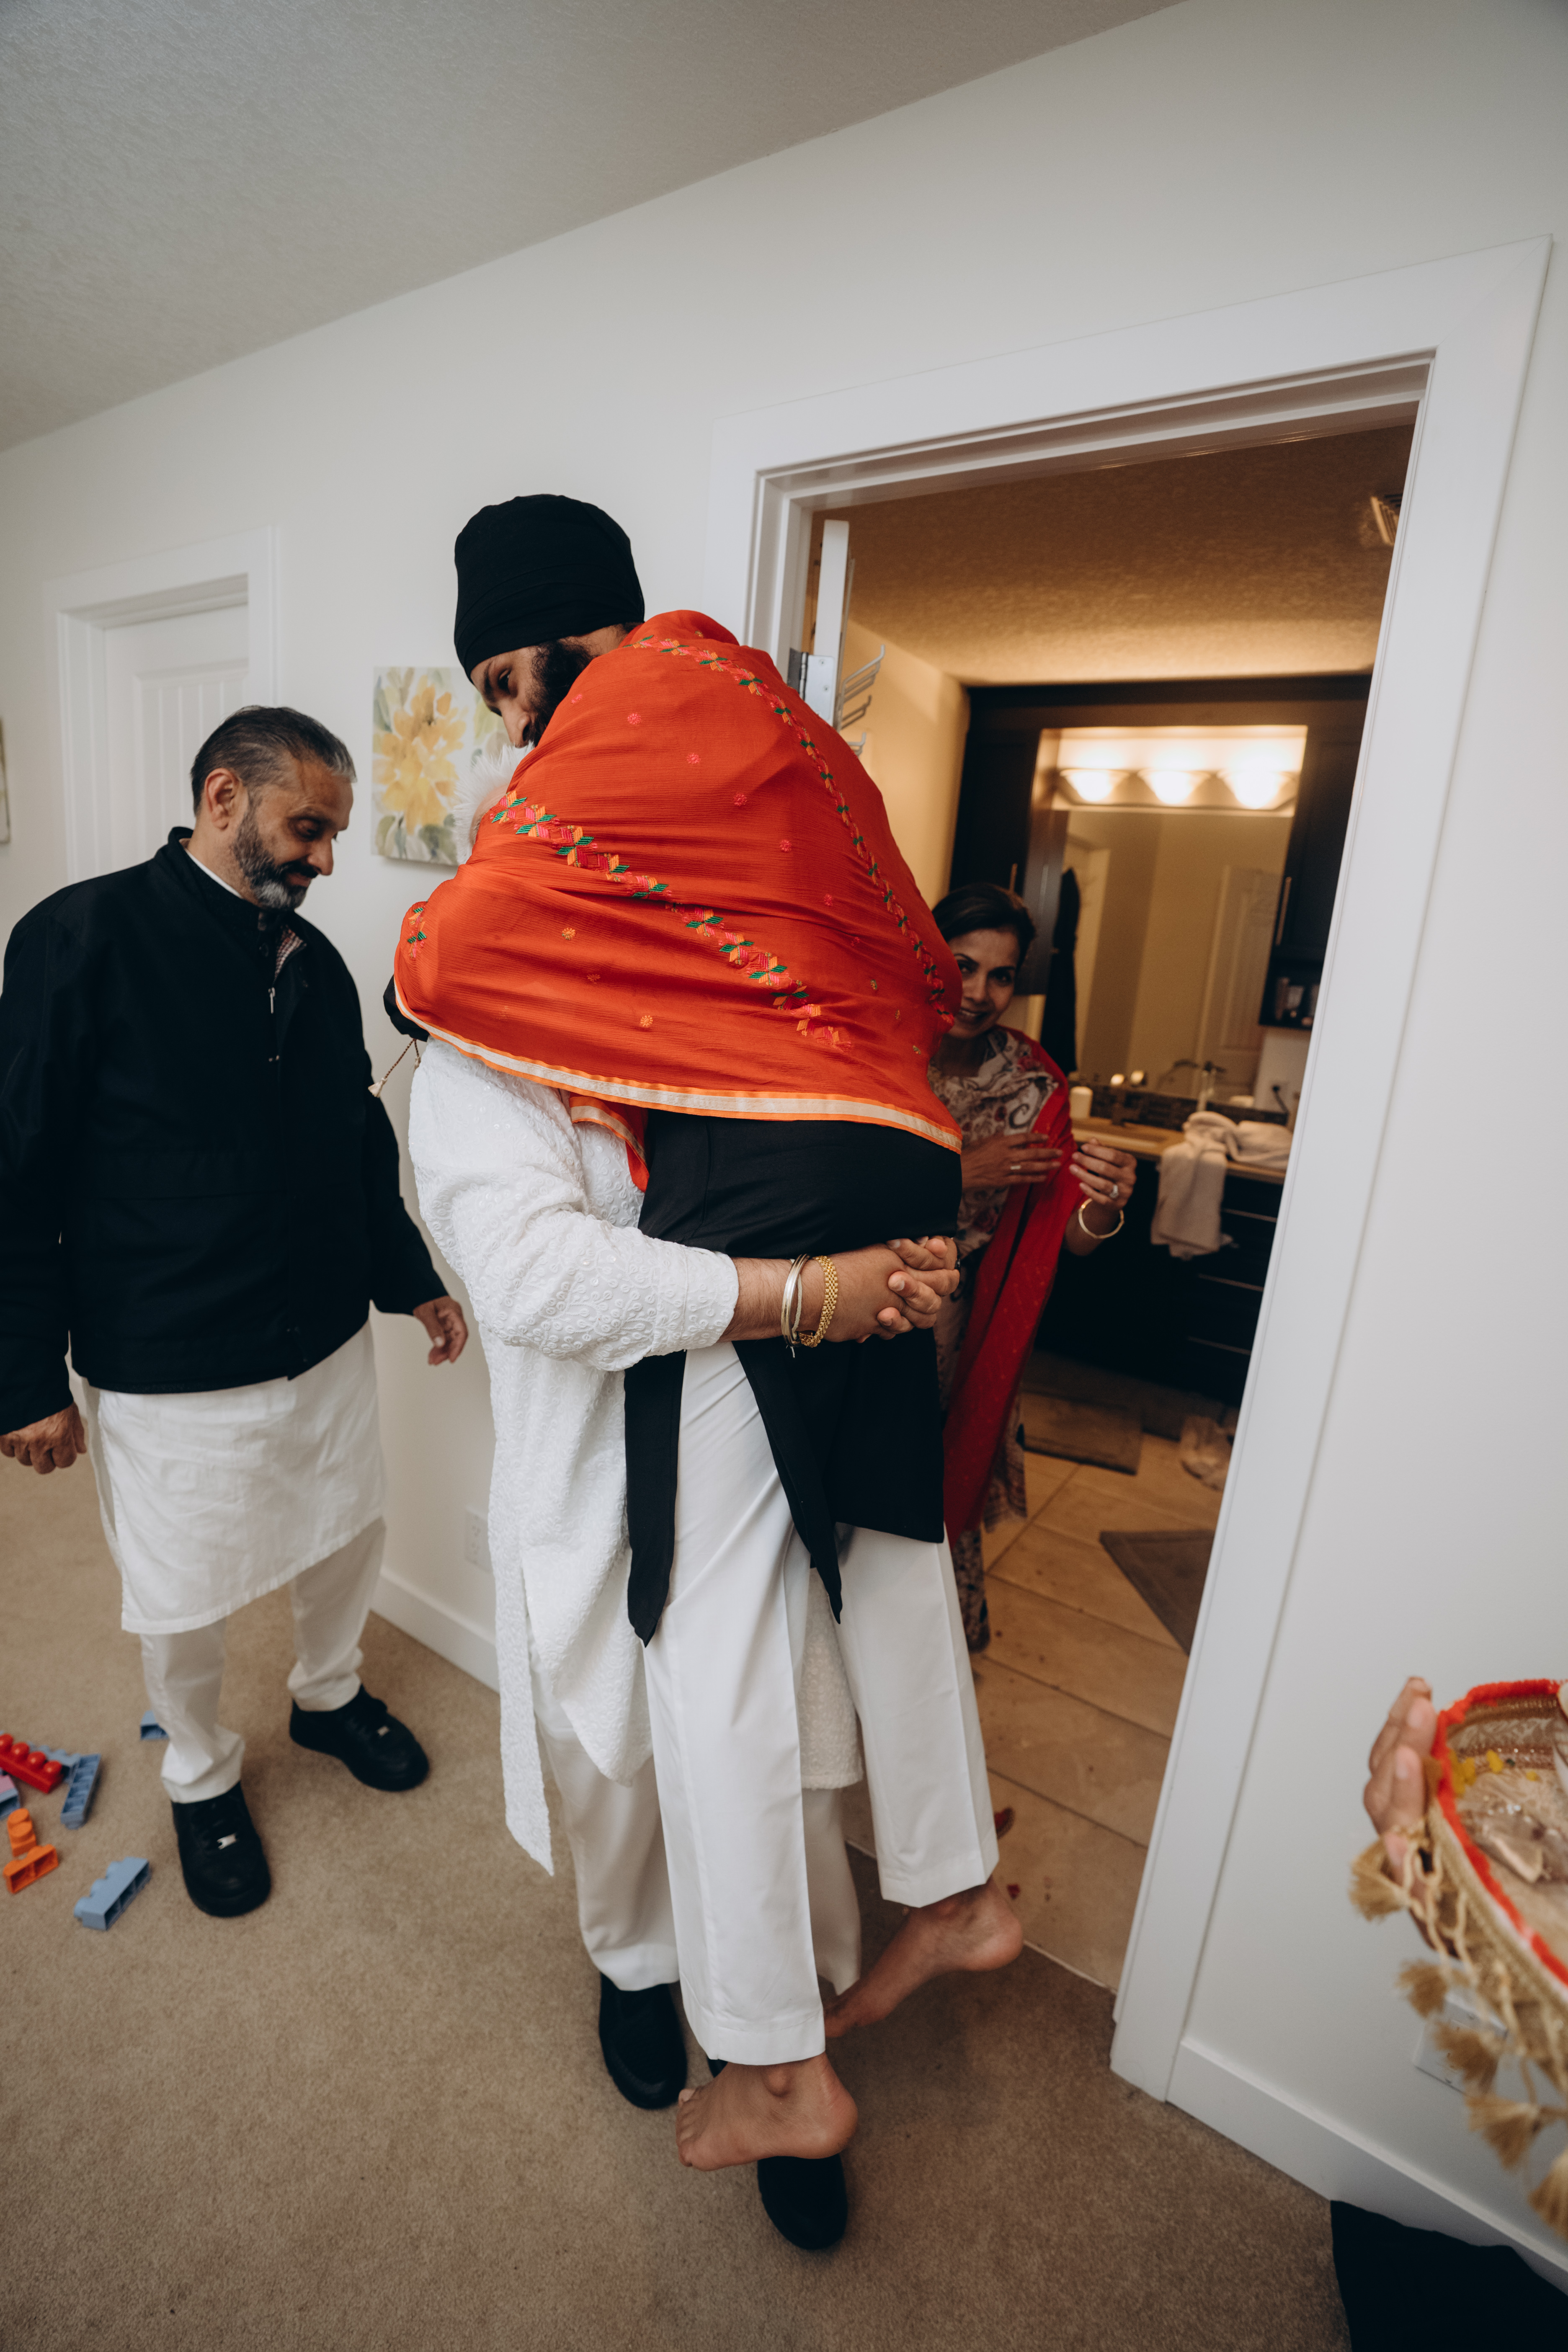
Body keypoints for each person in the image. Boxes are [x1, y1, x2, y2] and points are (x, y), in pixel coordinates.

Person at [391, 493, 1022, 2244]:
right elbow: (537, 1276)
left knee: (770, 1734)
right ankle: (640, 1969)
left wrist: (866, 1280)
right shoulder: (486, 1053)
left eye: (511, 689)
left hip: (759, 1421)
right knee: (626, 1773)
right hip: (610, 1461)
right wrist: (817, 1291)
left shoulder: (685, 972)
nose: (516, 733)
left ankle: (783, 2035)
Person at [0, 707, 468, 1919]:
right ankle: (201, 1775)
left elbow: (355, 1139)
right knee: (183, 1590)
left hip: (320, 1328)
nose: (325, 859)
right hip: (165, 1346)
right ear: (223, 798)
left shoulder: (312, 960)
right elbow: (16, 1171)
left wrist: (409, 1274)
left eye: (334, 836)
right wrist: (24, 1377)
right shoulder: (77, 938)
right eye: (308, 828)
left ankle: (328, 1695)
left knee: (346, 1529)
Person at [927, 883, 1138, 1649]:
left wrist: (1105, 1206)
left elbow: (1068, 1236)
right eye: (962, 965)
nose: (979, 993)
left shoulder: (1034, 1082)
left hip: (954, 1324)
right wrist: (962, 1172)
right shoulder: (876, 1048)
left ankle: (926, 1662)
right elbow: (824, 1185)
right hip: (846, 1298)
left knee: (931, 1479)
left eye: (1002, 976)